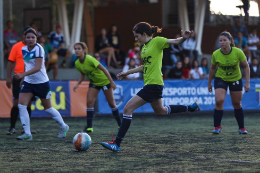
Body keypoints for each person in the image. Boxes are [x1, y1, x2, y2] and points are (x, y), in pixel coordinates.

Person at [101, 22, 200, 152]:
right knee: (161, 111)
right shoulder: (144, 48)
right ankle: (190, 107)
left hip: (153, 84)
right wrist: (126, 72)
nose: (136, 39)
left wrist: (184, 38)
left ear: (144, 34)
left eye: (137, 36)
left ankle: (117, 144)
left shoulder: (157, 41)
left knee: (127, 109)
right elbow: (144, 67)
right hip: (152, 84)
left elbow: (175, 42)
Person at [14, 28, 69, 140]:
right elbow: (28, 65)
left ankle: (64, 126)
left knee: (48, 108)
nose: (30, 39)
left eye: (33, 37)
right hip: (29, 82)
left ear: (36, 38)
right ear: (24, 38)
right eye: (28, 37)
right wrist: (23, 78)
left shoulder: (39, 49)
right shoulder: (24, 49)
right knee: (21, 105)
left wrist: (21, 74)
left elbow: (38, 67)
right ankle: (27, 134)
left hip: (42, 83)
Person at [73, 42, 121, 133]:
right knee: (89, 102)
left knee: (112, 104)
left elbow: (104, 69)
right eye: (75, 49)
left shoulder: (90, 59)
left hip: (104, 82)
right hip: (94, 83)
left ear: (84, 50)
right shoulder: (77, 63)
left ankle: (120, 124)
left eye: (79, 48)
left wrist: (111, 82)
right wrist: (78, 84)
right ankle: (89, 127)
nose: (76, 50)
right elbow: (83, 74)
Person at [208, 31, 250, 135]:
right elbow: (212, 69)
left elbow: (246, 66)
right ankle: (217, 126)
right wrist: (209, 83)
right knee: (219, 100)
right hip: (220, 78)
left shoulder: (238, 52)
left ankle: (242, 128)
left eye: (224, 40)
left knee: (236, 103)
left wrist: (247, 83)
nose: (222, 42)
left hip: (235, 79)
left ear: (230, 41)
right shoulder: (216, 54)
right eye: (220, 41)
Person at [5, 26, 35, 135]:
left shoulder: (35, 47)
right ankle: (12, 127)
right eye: (25, 36)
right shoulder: (16, 47)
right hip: (18, 77)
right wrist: (8, 78)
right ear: (23, 36)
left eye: (31, 36)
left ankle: (25, 128)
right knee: (17, 103)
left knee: (28, 103)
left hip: (31, 78)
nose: (28, 38)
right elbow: (10, 62)